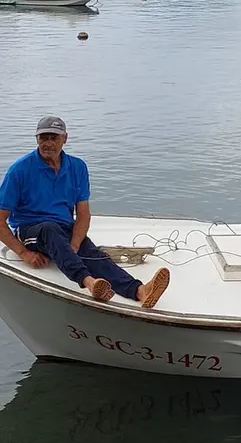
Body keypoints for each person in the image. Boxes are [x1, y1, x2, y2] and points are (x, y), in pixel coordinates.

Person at [0, 117, 170, 308]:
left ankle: (140, 291)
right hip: (31, 230)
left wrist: (74, 245)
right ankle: (89, 283)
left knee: (93, 254)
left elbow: (83, 214)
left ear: (65, 138)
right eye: (43, 138)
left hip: (63, 227)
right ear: (36, 139)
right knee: (49, 229)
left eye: (53, 137)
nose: (48, 143)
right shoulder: (20, 171)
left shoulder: (77, 167)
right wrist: (24, 253)